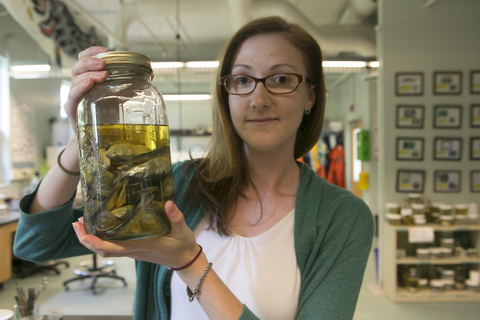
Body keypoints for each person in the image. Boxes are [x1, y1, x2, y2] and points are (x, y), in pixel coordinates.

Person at [14, 16, 373, 320]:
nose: (259, 99)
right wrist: (83, 138)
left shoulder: (342, 218)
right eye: (243, 80)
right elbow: (35, 244)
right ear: (226, 95)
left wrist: (188, 262)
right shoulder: (182, 185)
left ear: (311, 94)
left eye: (281, 79)